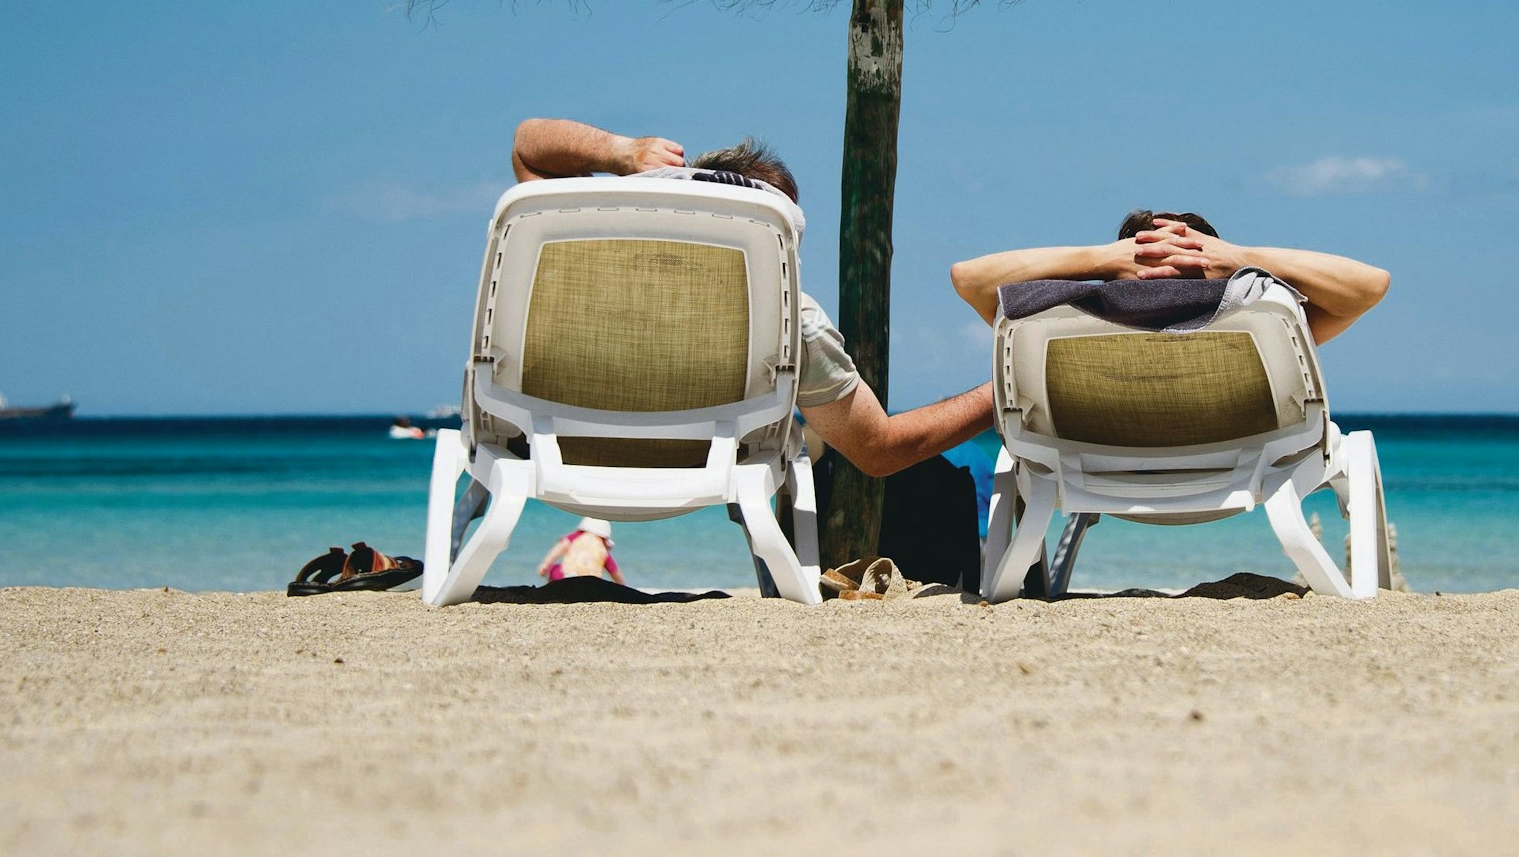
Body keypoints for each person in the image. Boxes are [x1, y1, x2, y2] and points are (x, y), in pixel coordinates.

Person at [509, 117, 994, 477]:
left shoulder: (585, 254)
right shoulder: (786, 316)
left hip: (558, 455)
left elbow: (529, 148)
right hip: (704, 475)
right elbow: (879, 449)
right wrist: (1002, 391)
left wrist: (620, 153)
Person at [949, 209, 1390, 343]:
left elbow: (969, 279)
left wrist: (1103, 260)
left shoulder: (1062, 325)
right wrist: (1238, 258)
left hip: (1093, 467)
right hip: (1241, 465)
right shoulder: (1265, 326)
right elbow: (1370, 287)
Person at [537, 517, 625, 583]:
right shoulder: (602, 549)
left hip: (566, 576)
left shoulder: (575, 537)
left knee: (554, 569)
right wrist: (622, 585)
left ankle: (553, 591)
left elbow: (558, 550)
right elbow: (614, 572)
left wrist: (545, 565)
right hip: (592, 582)